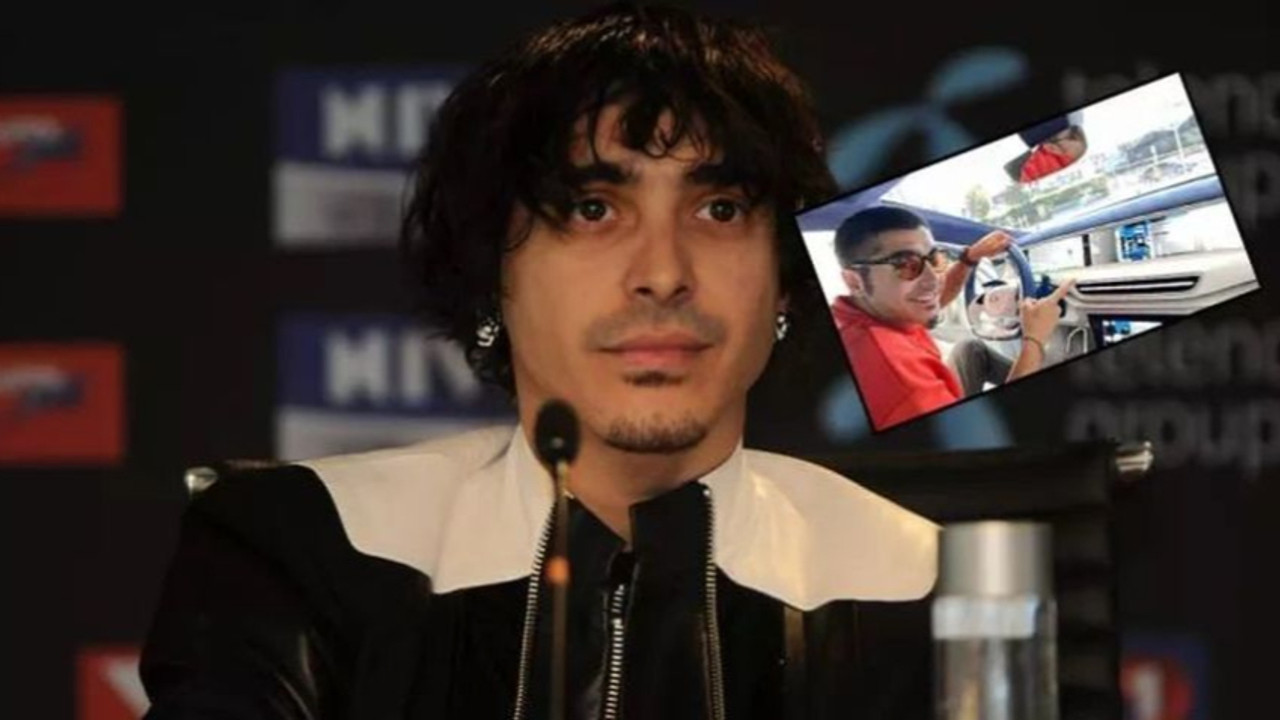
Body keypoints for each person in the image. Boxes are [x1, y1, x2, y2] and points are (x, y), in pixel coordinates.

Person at [140, 4, 941, 719]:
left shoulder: (928, 587)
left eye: (720, 209)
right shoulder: (304, 548)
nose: (663, 272)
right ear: (493, 272)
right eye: (593, 209)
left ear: (785, 281)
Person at [830, 205, 1073, 431]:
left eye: (934, 259)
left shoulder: (866, 313)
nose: (932, 280)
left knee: (971, 350)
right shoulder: (901, 381)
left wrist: (970, 258)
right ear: (854, 281)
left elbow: (936, 297)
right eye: (905, 265)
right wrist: (1034, 340)